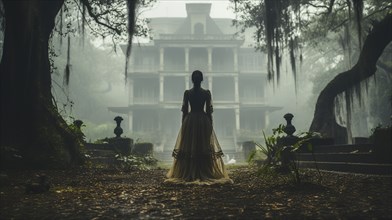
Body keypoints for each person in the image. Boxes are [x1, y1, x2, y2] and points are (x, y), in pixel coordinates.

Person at [165, 70, 233, 185]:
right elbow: (208, 113)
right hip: (202, 120)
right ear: (201, 79)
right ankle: (202, 170)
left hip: (191, 121)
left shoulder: (188, 93)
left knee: (193, 147)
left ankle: (189, 172)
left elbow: (185, 112)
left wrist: (184, 126)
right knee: (202, 146)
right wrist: (210, 126)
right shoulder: (205, 93)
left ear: (193, 79)